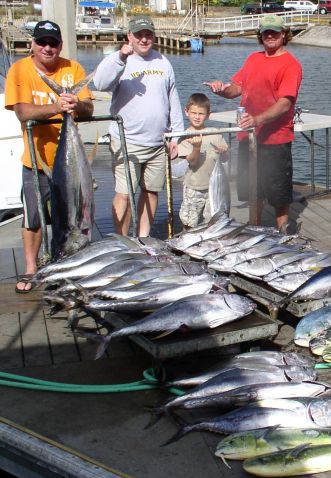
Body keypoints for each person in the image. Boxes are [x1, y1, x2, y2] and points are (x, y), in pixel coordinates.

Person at [4, 20, 93, 294]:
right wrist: (56, 105)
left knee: (72, 217)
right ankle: (31, 268)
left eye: (52, 43)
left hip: (71, 165)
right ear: (32, 44)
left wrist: (75, 103)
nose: (47, 47)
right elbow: (21, 112)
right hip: (37, 160)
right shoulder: (19, 69)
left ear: (60, 46)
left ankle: (71, 263)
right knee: (33, 217)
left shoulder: (73, 68)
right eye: (41, 42)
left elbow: (88, 109)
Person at [205, 14, 302, 230]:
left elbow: (285, 104)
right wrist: (221, 90)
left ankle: (283, 232)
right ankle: (254, 227)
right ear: (260, 35)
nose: (269, 36)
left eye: (274, 32)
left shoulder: (290, 65)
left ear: (283, 34)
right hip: (248, 136)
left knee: (278, 192)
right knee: (251, 189)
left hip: (276, 139)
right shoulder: (253, 59)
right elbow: (236, 88)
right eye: (265, 32)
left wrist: (257, 119)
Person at [93, 15, 184, 237]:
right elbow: (100, 83)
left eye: (148, 34)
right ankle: (122, 241)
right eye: (139, 35)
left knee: (151, 191)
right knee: (124, 194)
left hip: (157, 142)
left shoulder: (163, 61)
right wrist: (121, 57)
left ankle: (143, 237)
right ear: (129, 36)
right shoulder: (120, 60)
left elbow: (173, 98)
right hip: (127, 142)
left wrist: (176, 136)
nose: (144, 39)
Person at [177, 93, 229, 229]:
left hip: (214, 187)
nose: (197, 117)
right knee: (189, 222)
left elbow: (226, 159)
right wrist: (196, 147)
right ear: (186, 112)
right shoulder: (184, 137)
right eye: (193, 113)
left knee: (212, 221)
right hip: (194, 186)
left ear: (208, 114)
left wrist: (224, 152)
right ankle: (187, 242)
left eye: (201, 113)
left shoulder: (215, 133)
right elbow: (192, 163)